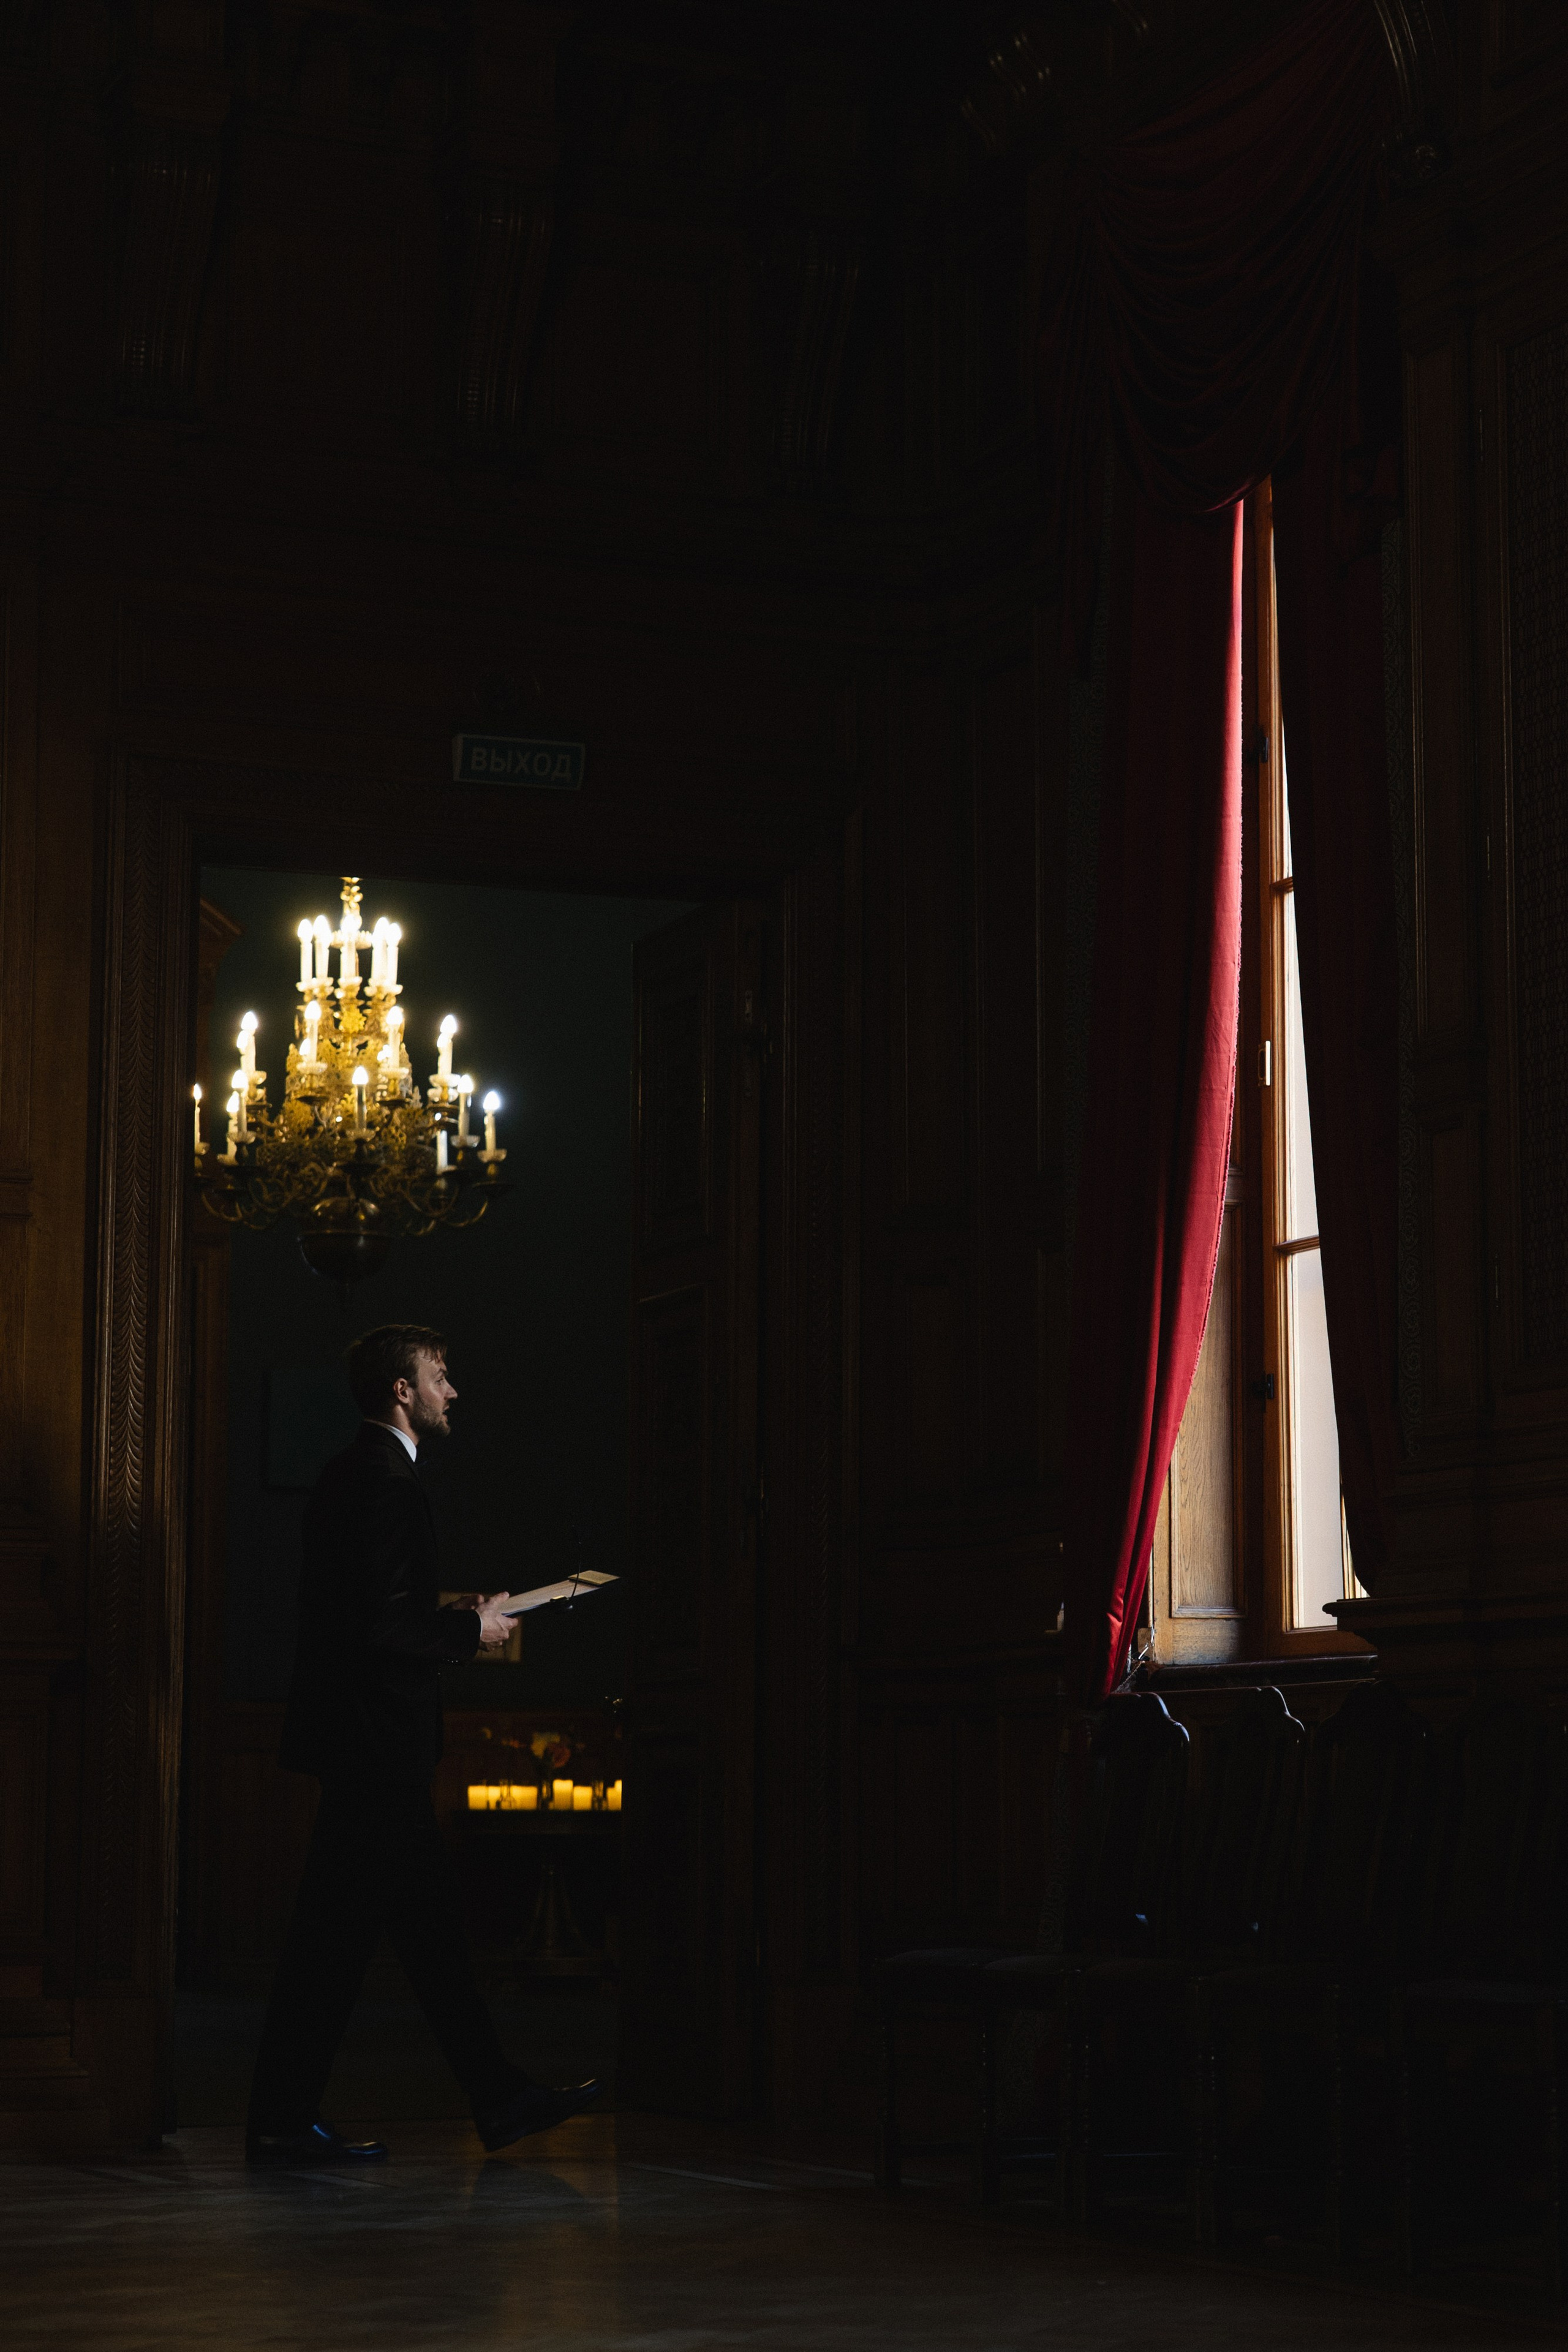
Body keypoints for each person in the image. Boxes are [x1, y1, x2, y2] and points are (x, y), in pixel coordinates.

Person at [246, 1322, 600, 2165]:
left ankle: (486, 2098)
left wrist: (453, 1615)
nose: (453, 1390)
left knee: (394, 1942)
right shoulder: (386, 1481)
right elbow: (379, 1626)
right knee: (356, 1946)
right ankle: (292, 2119)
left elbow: (366, 1610)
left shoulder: (351, 1473)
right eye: (440, 1375)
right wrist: (469, 1627)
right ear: (402, 1389)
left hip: (365, 1748)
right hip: (379, 1751)